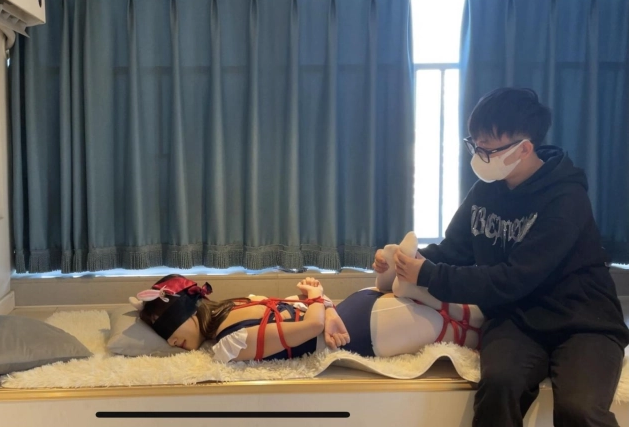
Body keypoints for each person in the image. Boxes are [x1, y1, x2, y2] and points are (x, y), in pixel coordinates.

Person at [389, 87, 629, 427]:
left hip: (584, 323)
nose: (479, 156)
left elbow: (513, 278)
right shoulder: (485, 190)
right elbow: (453, 251)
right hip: (515, 319)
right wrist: (404, 262)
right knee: (498, 387)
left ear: (524, 149)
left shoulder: (566, 198)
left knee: (580, 409)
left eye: (488, 149)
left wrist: (426, 274)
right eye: (475, 145)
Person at [132, 273, 484, 363]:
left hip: (364, 329)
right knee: (466, 321)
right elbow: (307, 310)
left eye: (169, 328)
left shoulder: (230, 342)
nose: (171, 341)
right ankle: (403, 283)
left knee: (467, 331)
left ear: (187, 311)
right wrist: (320, 301)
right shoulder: (241, 306)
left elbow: (311, 323)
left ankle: (404, 283)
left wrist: (319, 302)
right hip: (355, 311)